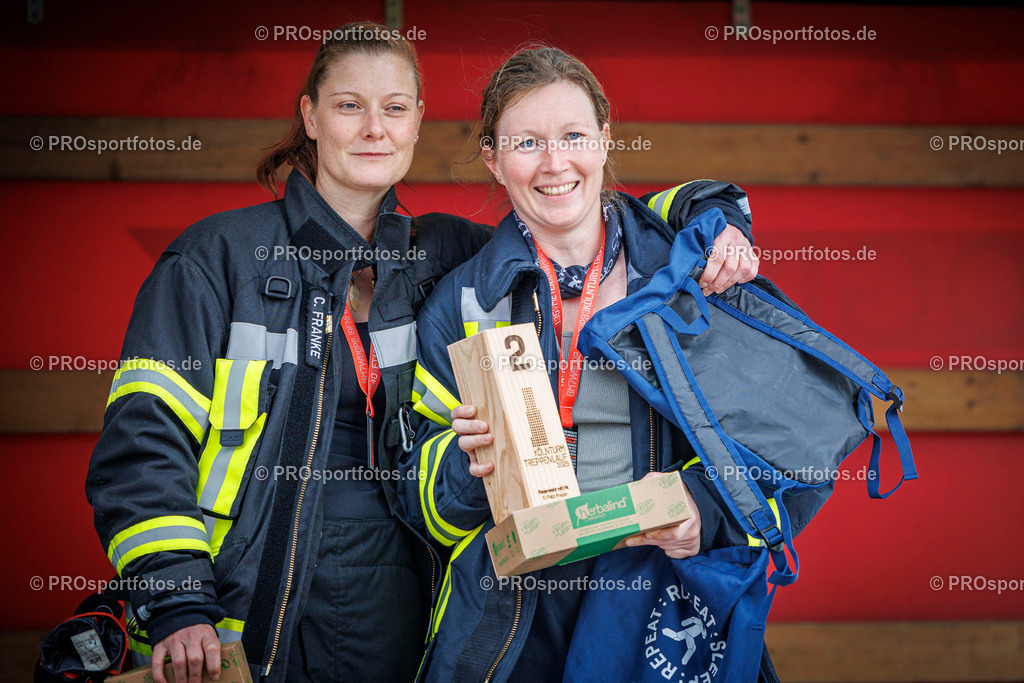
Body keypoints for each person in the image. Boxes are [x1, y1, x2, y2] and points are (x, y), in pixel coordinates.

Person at [85, 24, 757, 683]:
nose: (374, 127)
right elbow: (142, 446)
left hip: (403, 608)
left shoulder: (451, 257)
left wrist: (713, 212)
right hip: (240, 607)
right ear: (310, 116)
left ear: (417, 123)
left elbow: (582, 211)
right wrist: (175, 601)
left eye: (394, 108)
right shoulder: (215, 259)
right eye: (350, 105)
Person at [397, 46, 829, 682]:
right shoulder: (461, 301)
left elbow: (797, 441)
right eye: (526, 142)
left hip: (662, 603)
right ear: (492, 157)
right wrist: (464, 467)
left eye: (573, 135)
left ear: (603, 140)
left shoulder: (691, 275)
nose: (554, 163)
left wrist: (705, 510)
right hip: (514, 622)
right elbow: (416, 500)